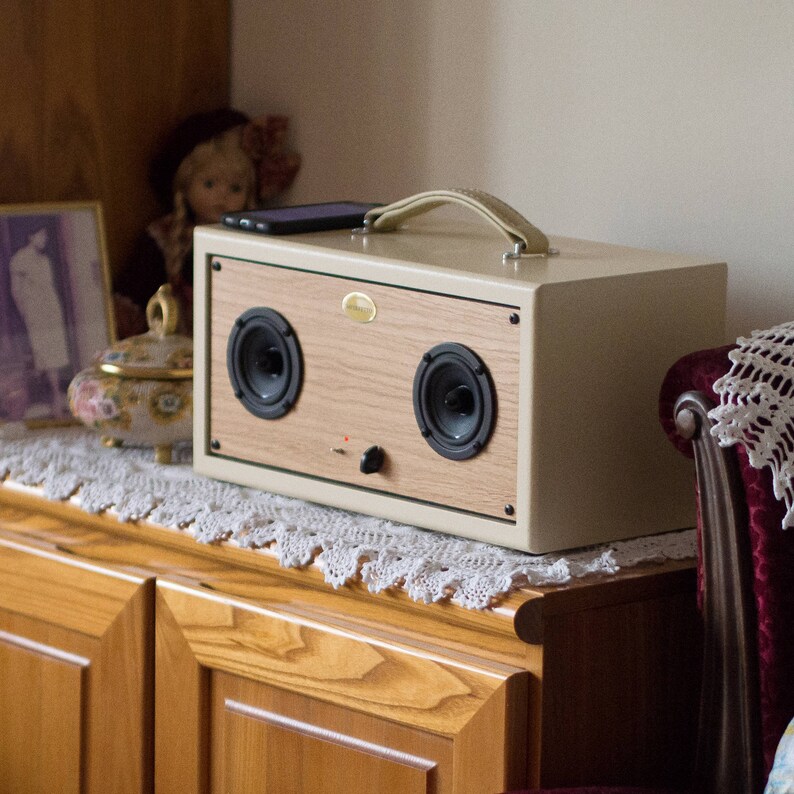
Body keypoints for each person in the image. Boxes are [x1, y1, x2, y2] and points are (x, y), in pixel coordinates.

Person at [114, 109, 300, 337]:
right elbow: (131, 297)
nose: (222, 196)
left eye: (235, 188)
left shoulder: (253, 242)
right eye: (210, 184)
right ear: (185, 185)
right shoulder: (163, 237)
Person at [8, 226, 70, 418]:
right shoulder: (20, 259)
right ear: (30, 235)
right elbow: (16, 291)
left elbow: (49, 286)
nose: (44, 238)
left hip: (51, 309)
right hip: (36, 313)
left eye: (46, 234)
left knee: (55, 352)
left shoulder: (44, 260)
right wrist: (26, 313)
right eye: (41, 234)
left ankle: (56, 397)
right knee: (43, 354)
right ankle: (51, 396)